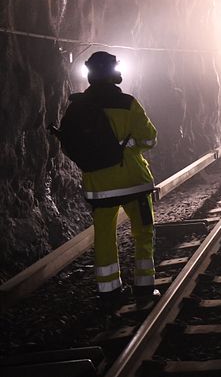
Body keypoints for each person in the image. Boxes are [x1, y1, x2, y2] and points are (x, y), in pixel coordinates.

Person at [61, 51, 159, 307]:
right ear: (113, 72)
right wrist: (128, 148)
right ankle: (144, 287)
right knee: (143, 232)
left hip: (99, 186)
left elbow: (69, 145)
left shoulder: (77, 107)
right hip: (133, 181)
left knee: (104, 236)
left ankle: (109, 292)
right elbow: (149, 138)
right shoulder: (127, 103)